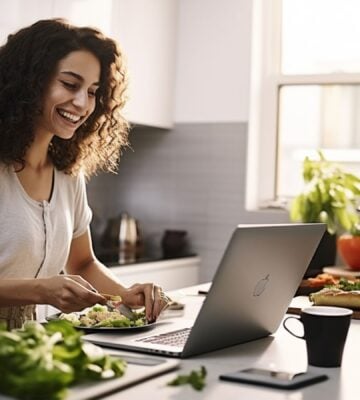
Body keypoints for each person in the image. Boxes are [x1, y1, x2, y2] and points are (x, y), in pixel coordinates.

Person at [0, 18, 170, 329]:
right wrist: (40, 290)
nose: (82, 103)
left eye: (93, 91)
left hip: (27, 346)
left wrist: (125, 295)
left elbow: (82, 262)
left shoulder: (67, 175)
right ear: (29, 81)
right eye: (69, 84)